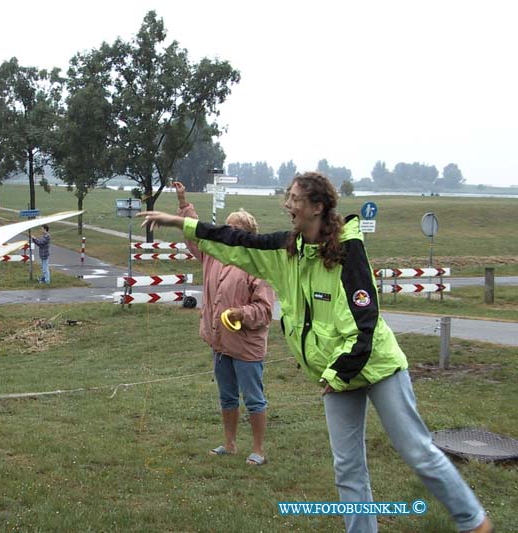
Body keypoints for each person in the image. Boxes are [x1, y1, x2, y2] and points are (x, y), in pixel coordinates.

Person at [139, 172, 492, 533]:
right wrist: (182, 221)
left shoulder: (348, 253)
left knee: (416, 451)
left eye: (294, 198)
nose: (287, 204)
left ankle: (474, 522)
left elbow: (364, 320)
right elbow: (236, 240)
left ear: (317, 207)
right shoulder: (285, 251)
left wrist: (339, 373)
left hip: (375, 366)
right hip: (333, 377)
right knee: (348, 469)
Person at [174, 181, 274, 465]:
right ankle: (229, 444)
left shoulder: (258, 264)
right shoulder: (213, 254)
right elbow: (194, 232)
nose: (226, 233)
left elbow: (265, 310)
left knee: (253, 398)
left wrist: (242, 314)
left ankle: (258, 450)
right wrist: (183, 201)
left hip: (246, 346)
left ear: (246, 236)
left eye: (233, 229)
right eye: (225, 228)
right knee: (227, 396)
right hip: (219, 342)